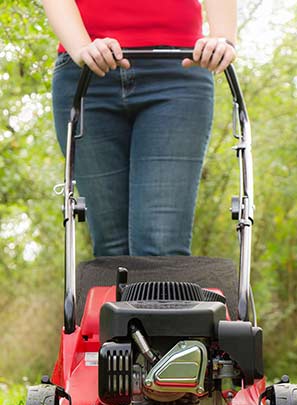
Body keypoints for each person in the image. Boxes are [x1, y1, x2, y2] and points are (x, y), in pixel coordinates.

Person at [42, 0, 237, 257]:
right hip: (87, 72)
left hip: (178, 70)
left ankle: (163, 297)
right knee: (112, 249)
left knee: (161, 246)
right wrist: (81, 47)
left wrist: (222, 37)